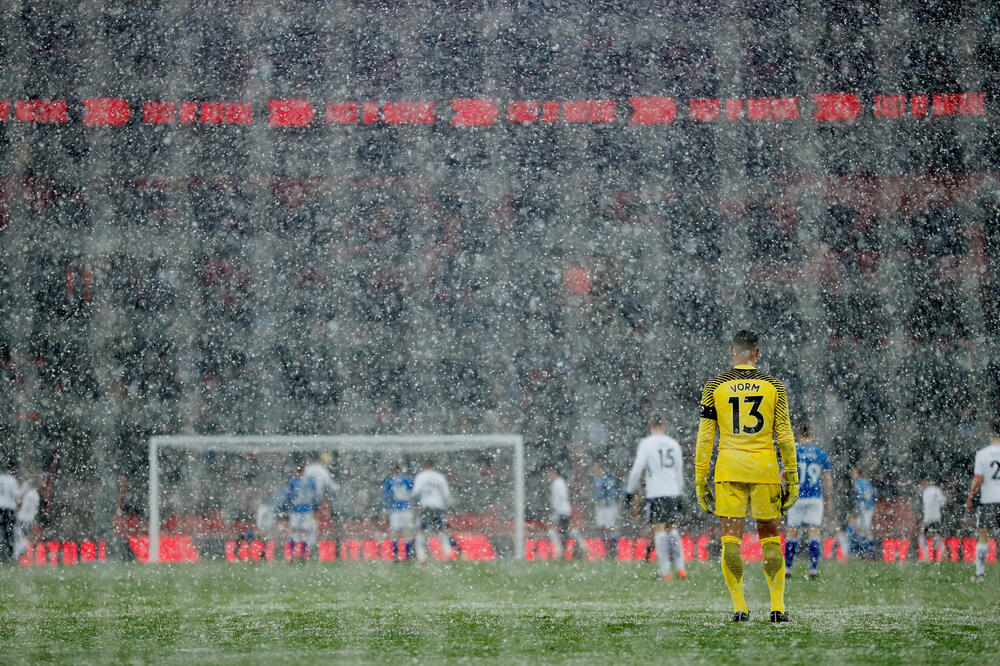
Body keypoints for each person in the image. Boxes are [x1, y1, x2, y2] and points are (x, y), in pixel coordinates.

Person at [694, 330, 798, 623]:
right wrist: (792, 476)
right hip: (764, 469)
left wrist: (700, 477)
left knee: (730, 540)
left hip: (729, 468)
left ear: (732, 352)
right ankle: (777, 607)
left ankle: (740, 607)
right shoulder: (774, 386)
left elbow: (705, 437)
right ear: (757, 353)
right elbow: (785, 435)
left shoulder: (715, 385)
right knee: (770, 538)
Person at [624, 412, 687, 580]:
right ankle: (681, 568)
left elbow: (637, 469)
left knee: (659, 529)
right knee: (672, 527)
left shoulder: (647, 444)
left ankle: (666, 571)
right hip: (673, 490)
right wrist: (680, 492)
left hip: (656, 491)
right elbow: (679, 471)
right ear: (664, 425)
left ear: (650, 425)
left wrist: (630, 491)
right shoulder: (673, 444)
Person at [784, 424, 832, 579]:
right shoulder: (821, 455)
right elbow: (827, 479)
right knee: (814, 532)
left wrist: (782, 492)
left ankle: (788, 568)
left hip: (796, 497)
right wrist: (829, 498)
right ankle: (813, 569)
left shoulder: (793, 452)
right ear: (812, 436)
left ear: (799, 435)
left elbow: (783, 474)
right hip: (814, 498)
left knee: (792, 532)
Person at [964, 418, 1000, 582]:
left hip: (989, 500)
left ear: (990, 433)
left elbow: (977, 480)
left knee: (983, 536)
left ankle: (979, 573)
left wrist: (970, 498)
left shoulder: (983, 454)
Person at [274, 464, 321, 561]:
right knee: (304, 532)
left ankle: (291, 554)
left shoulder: (293, 482)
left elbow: (289, 497)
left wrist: (285, 509)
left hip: (296, 510)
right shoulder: (311, 482)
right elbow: (316, 497)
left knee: (293, 531)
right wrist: (316, 508)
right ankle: (304, 555)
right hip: (307, 510)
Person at [412, 460, 452, 563]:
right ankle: (449, 555)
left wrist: (411, 499)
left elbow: (416, 492)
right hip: (438, 507)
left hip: (426, 507)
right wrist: (445, 505)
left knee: (421, 532)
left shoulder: (421, 476)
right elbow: (446, 493)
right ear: (433, 466)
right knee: (441, 532)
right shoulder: (439, 477)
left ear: (424, 466)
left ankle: (422, 559)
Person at [547, 468, 585, 559]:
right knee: (565, 531)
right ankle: (579, 546)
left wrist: (555, 504)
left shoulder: (558, 483)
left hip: (562, 512)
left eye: (550, 473)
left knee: (558, 530)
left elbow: (562, 498)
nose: (549, 476)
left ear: (555, 473)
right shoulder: (559, 483)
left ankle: (561, 550)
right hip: (562, 511)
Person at [383, 464, 414, 562]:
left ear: (392, 471)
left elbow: (386, 498)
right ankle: (407, 557)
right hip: (407, 510)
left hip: (395, 510)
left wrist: (385, 511)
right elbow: (413, 494)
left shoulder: (389, 482)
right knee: (407, 532)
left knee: (395, 533)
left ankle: (395, 557)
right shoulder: (407, 480)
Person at [591, 462, 619, 558]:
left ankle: (614, 549)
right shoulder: (596, 480)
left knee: (611, 527)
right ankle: (607, 550)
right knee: (601, 528)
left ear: (601, 469)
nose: (594, 471)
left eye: (596, 469)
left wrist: (606, 500)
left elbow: (612, 492)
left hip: (609, 507)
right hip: (600, 508)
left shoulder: (608, 480)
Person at [919, 478, 947, 562]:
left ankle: (928, 556)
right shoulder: (932, 490)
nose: (922, 484)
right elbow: (943, 501)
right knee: (935, 536)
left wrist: (936, 507)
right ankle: (941, 555)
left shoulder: (934, 490)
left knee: (925, 536)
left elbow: (943, 501)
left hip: (931, 518)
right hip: (932, 517)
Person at [851, 466, 877, 558]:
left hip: (865, 509)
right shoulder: (866, 482)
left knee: (864, 530)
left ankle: (868, 552)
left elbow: (861, 497)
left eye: (854, 473)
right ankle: (865, 552)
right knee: (861, 529)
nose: (852, 475)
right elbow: (873, 494)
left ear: (858, 474)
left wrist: (858, 507)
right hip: (868, 508)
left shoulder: (858, 483)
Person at [13, 478, 40, 560]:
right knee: (24, 536)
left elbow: (22, 506)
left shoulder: (30, 495)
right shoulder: (35, 495)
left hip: (23, 518)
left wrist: (18, 504)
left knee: (20, 536)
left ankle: (17, 553)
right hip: (29, 519)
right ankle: (19, 553)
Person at [0, 467, 20, 564]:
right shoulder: (12, 480)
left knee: (2, 533)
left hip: (0, 507)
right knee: (9, 533)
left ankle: (2, 553)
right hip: (9, 509)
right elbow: (16, 497)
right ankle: (10, 555)